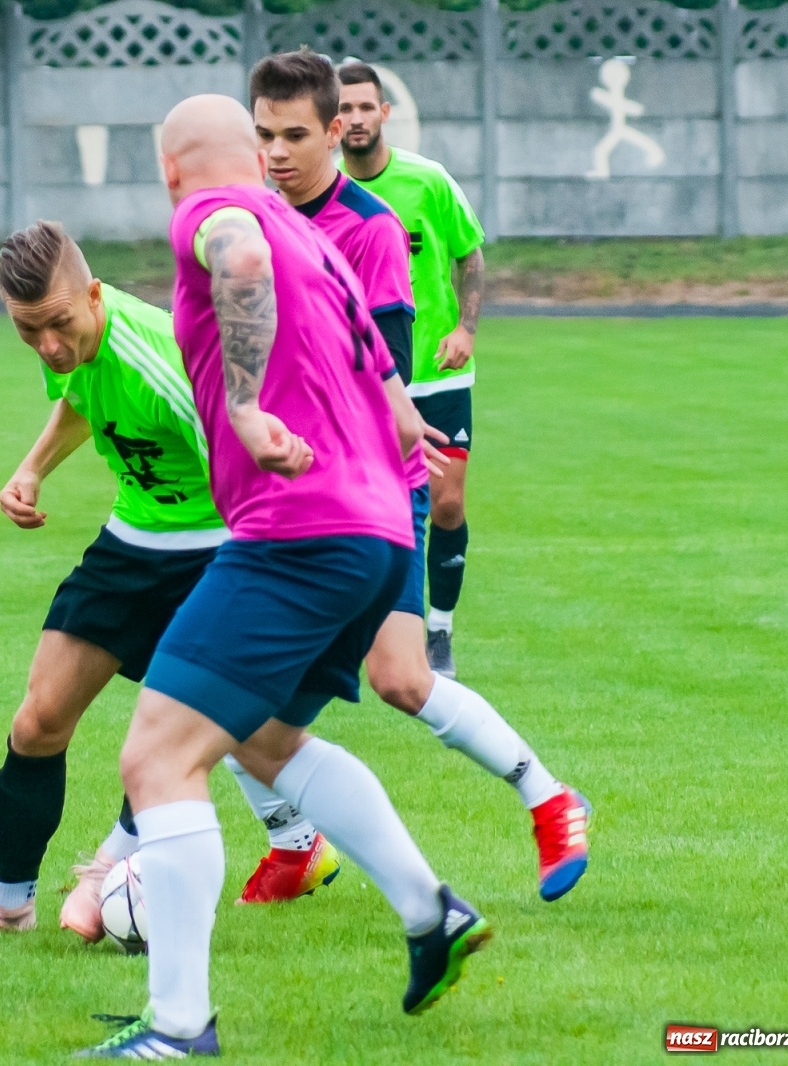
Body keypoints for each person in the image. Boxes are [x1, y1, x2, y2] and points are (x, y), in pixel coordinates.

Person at [76, 95, 488, 1059]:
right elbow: (389, 385)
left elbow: (238, 258)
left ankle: (178, 1026)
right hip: (380, 531)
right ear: (255, 157)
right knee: (264, 739)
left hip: (295, 532)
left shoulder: (214, 215)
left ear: (171, 168)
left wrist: (252, 405)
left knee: (157, 760)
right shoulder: (322, 243)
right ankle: (434, 915)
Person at [240, 49, 590, 906]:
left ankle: (549, 801)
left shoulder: (368, 229)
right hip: (288, 491)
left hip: (365, 489)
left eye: (294, 135)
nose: (277, 153)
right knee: (231, 696)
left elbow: (380, 375)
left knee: (383, 680)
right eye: (263, 135)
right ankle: (295, 846)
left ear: (335, 130)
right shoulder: (251, 215)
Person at [0, 222, 340, 941]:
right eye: (28, 331)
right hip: (128, 545)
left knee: (178, 735)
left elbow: (242, 453)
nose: (48, 346)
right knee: (38, 720)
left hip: (212, 548)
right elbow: (80, 396)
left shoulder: (158, 357)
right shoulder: (64, 337)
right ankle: (7, 906)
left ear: (92, 294)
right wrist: (31, 468)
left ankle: (131, 867)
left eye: (58, 325)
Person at [337, 60, 484, 679]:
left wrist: (464, 329)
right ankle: (361, 634)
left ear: (383, 113)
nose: (356, 119)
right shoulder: (324, 195)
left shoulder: (428, 182)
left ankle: (440, 632)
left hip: (437, 376)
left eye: (366, 107)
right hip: (361, 381)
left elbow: (470, 257)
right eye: (343, 109)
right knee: (364, 507)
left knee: (446, 503)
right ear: (329, 120)